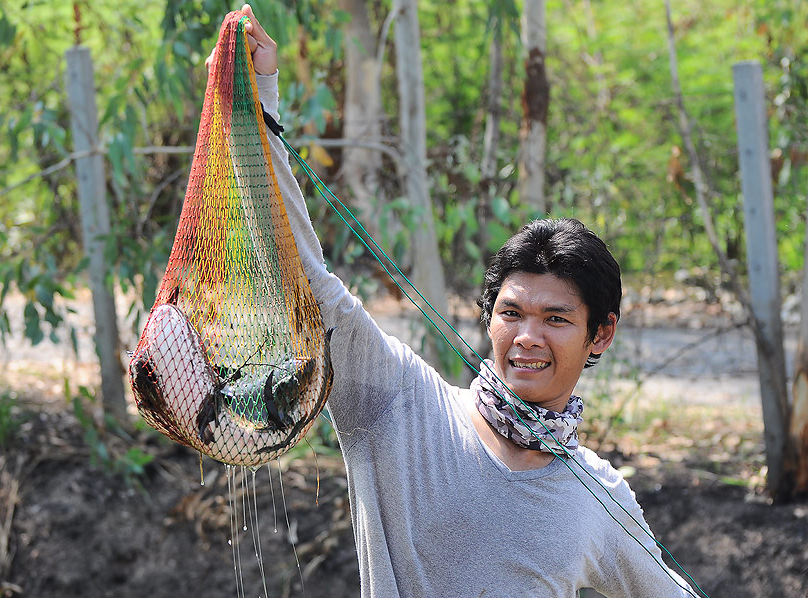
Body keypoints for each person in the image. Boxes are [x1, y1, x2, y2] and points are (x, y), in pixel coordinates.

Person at [226, 5, 698, 597]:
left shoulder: (600, 498)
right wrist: (260, 96)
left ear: (599, 334)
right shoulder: (397, 404)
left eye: (556, 319)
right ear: (489, 317)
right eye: (511, 313)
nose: (528, 336)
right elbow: (299, 273)